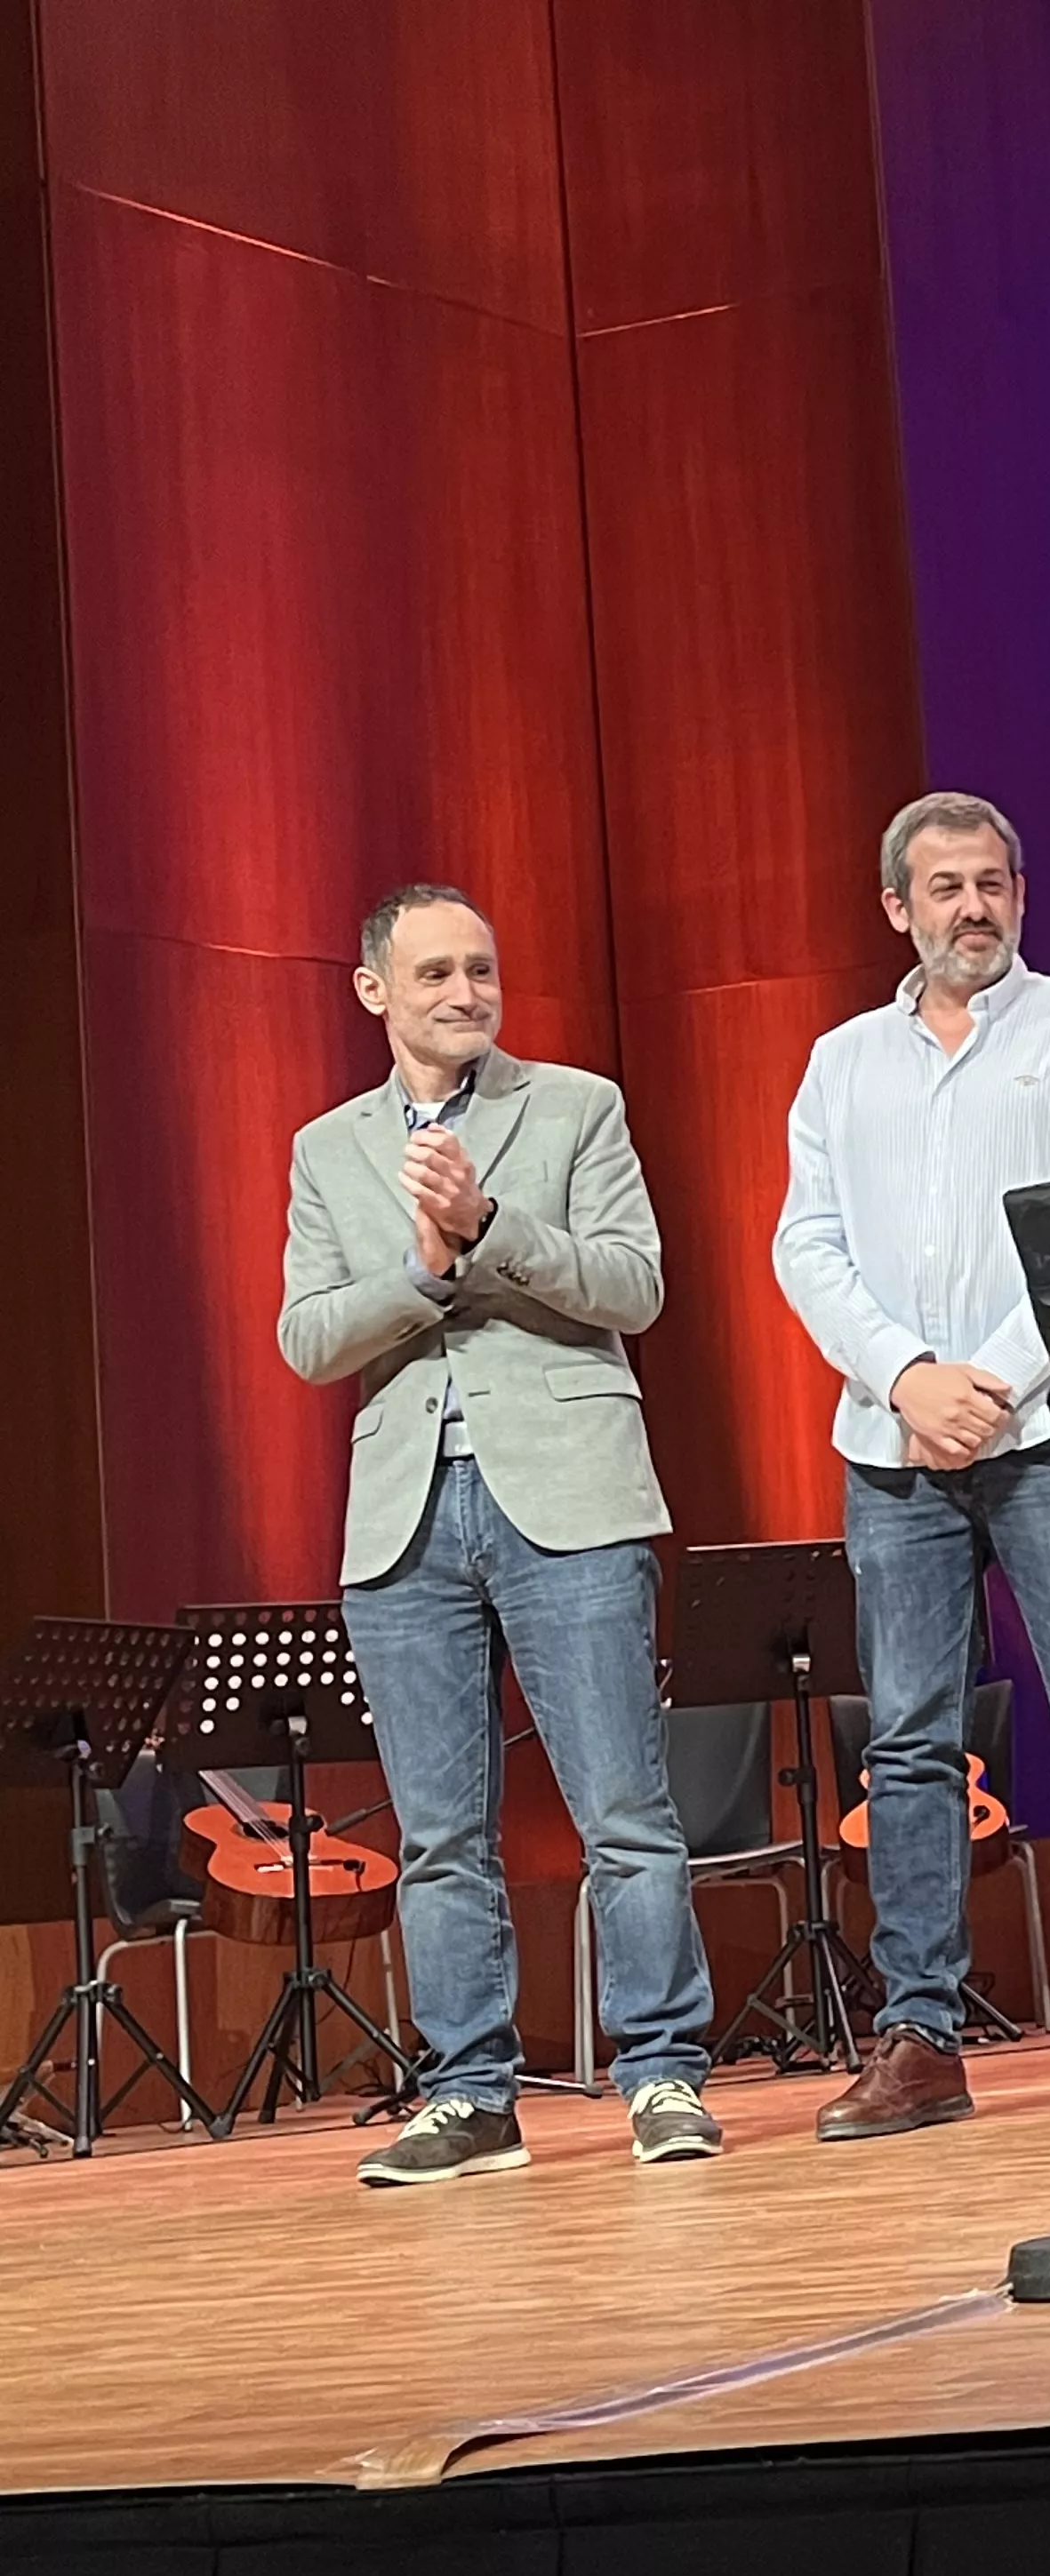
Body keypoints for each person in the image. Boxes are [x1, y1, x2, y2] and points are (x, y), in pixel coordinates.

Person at [775, 791, 1050, 2137]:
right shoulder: (843, 1061)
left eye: (993, 882)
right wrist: (907, 1376)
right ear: (897, 908)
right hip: (893, 1439)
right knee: (909, 1739)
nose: (974, 907)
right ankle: (920, 2034)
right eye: (946, 887)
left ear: (1020, 892)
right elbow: (806, 1245)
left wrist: (986, 1387)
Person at [279, 884, 719, 2185]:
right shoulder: (327, 1148)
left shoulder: (575, 1107)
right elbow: (309, 1338)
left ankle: (661, 2072)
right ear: (375, 992)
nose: (466, 993)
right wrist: (423, 1275)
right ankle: (469, 2094)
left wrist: (487, 1229)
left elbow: (634, 1284)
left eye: (481, 968)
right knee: (438, 1833)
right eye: (435, 974)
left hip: (569, 1493)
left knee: (623, 1809)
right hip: (406, 1512)